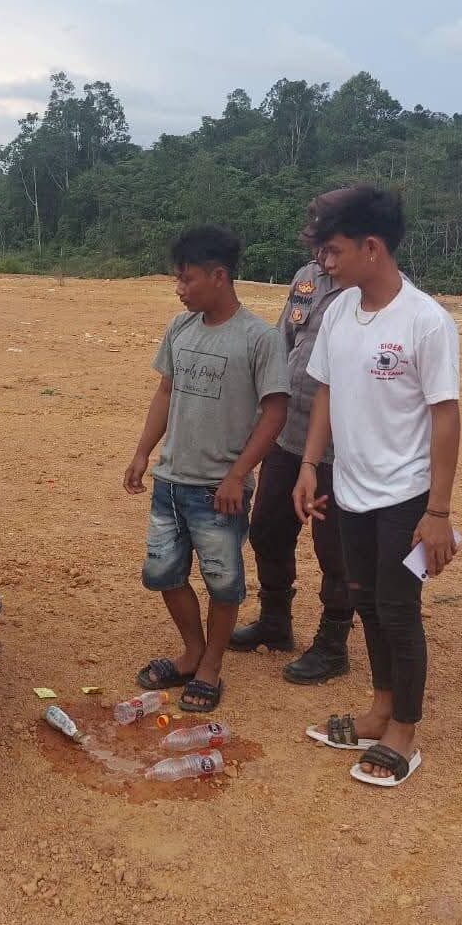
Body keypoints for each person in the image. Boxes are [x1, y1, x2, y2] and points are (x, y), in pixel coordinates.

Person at [294, 185, 460, 787]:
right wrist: (312, 466)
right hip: (350, 488)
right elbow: (326, 393)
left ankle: (403, 734)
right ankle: (379, 709)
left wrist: (437, 511)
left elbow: (446, 415)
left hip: (407, 496)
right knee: (365, 601)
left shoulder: (426, 321)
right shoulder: (339, 311)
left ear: (371, 246)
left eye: (334, 252)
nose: (326, 265)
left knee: (398, 611)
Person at [124, 224, 290, 712]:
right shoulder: (180, 329)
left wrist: (238, 475)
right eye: (178, 279)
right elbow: (165, 392)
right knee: (165, 574)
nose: (179, 289)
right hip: (170, 481)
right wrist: (142, 452)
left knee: (222, 580)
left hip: (220, 489)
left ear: (219, 276)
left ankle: (212, 664)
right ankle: (192, 651)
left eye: (188, 279)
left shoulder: (259, 338)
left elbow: (275, 412)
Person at [231, 190, 354, 683]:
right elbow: (286, 339)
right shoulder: (307, 279)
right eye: (319, 247)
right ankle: (275, 621)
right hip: (289, 435)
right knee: (268, 528)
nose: (324, 259)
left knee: (335, 548)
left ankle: (333, 643)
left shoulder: (374, 293)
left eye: (332, 248)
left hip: (340, 448)